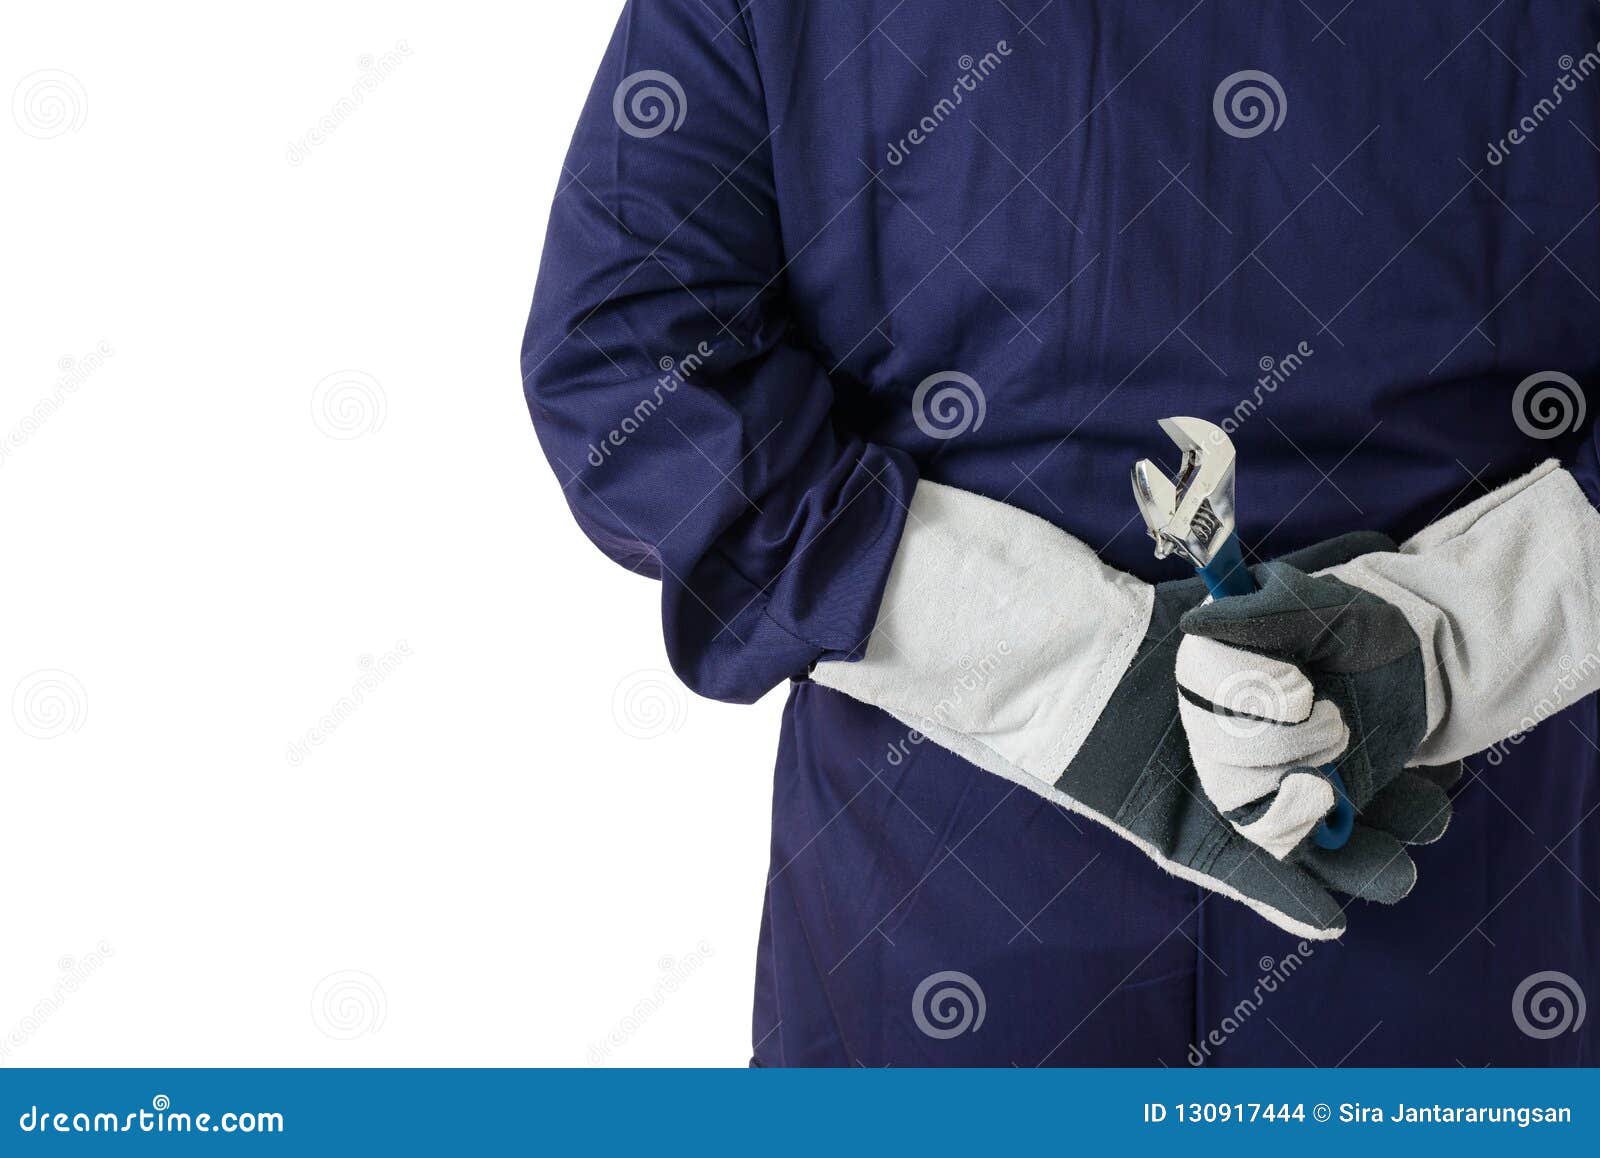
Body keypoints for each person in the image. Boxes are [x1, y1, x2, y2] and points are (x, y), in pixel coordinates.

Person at [521, 0, 1600, 1065]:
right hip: (1487, 928)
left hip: (948, 942)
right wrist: (1437, 639)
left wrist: (1066, 675)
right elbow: (625, 353)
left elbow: (624, 361)